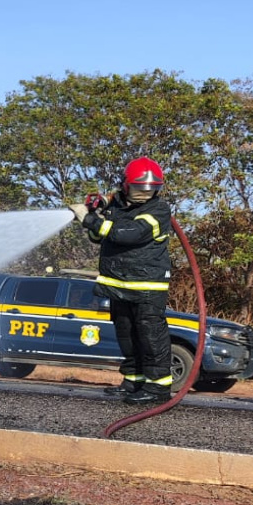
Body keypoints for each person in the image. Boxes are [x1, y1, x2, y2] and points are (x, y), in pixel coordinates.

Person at [69, 157, 174, 404]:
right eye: (139, 188)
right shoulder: (117, 205)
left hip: (147, 286)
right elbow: (101, 237)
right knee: (126, 334)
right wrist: (97, 210)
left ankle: (158, 389)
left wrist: (89, 219)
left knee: (151, 335)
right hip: (118, 284)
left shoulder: (158, 210)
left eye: (150, 189)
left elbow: (127, 235)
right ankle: (133, 381)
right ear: (126, 185)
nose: (144, 194)